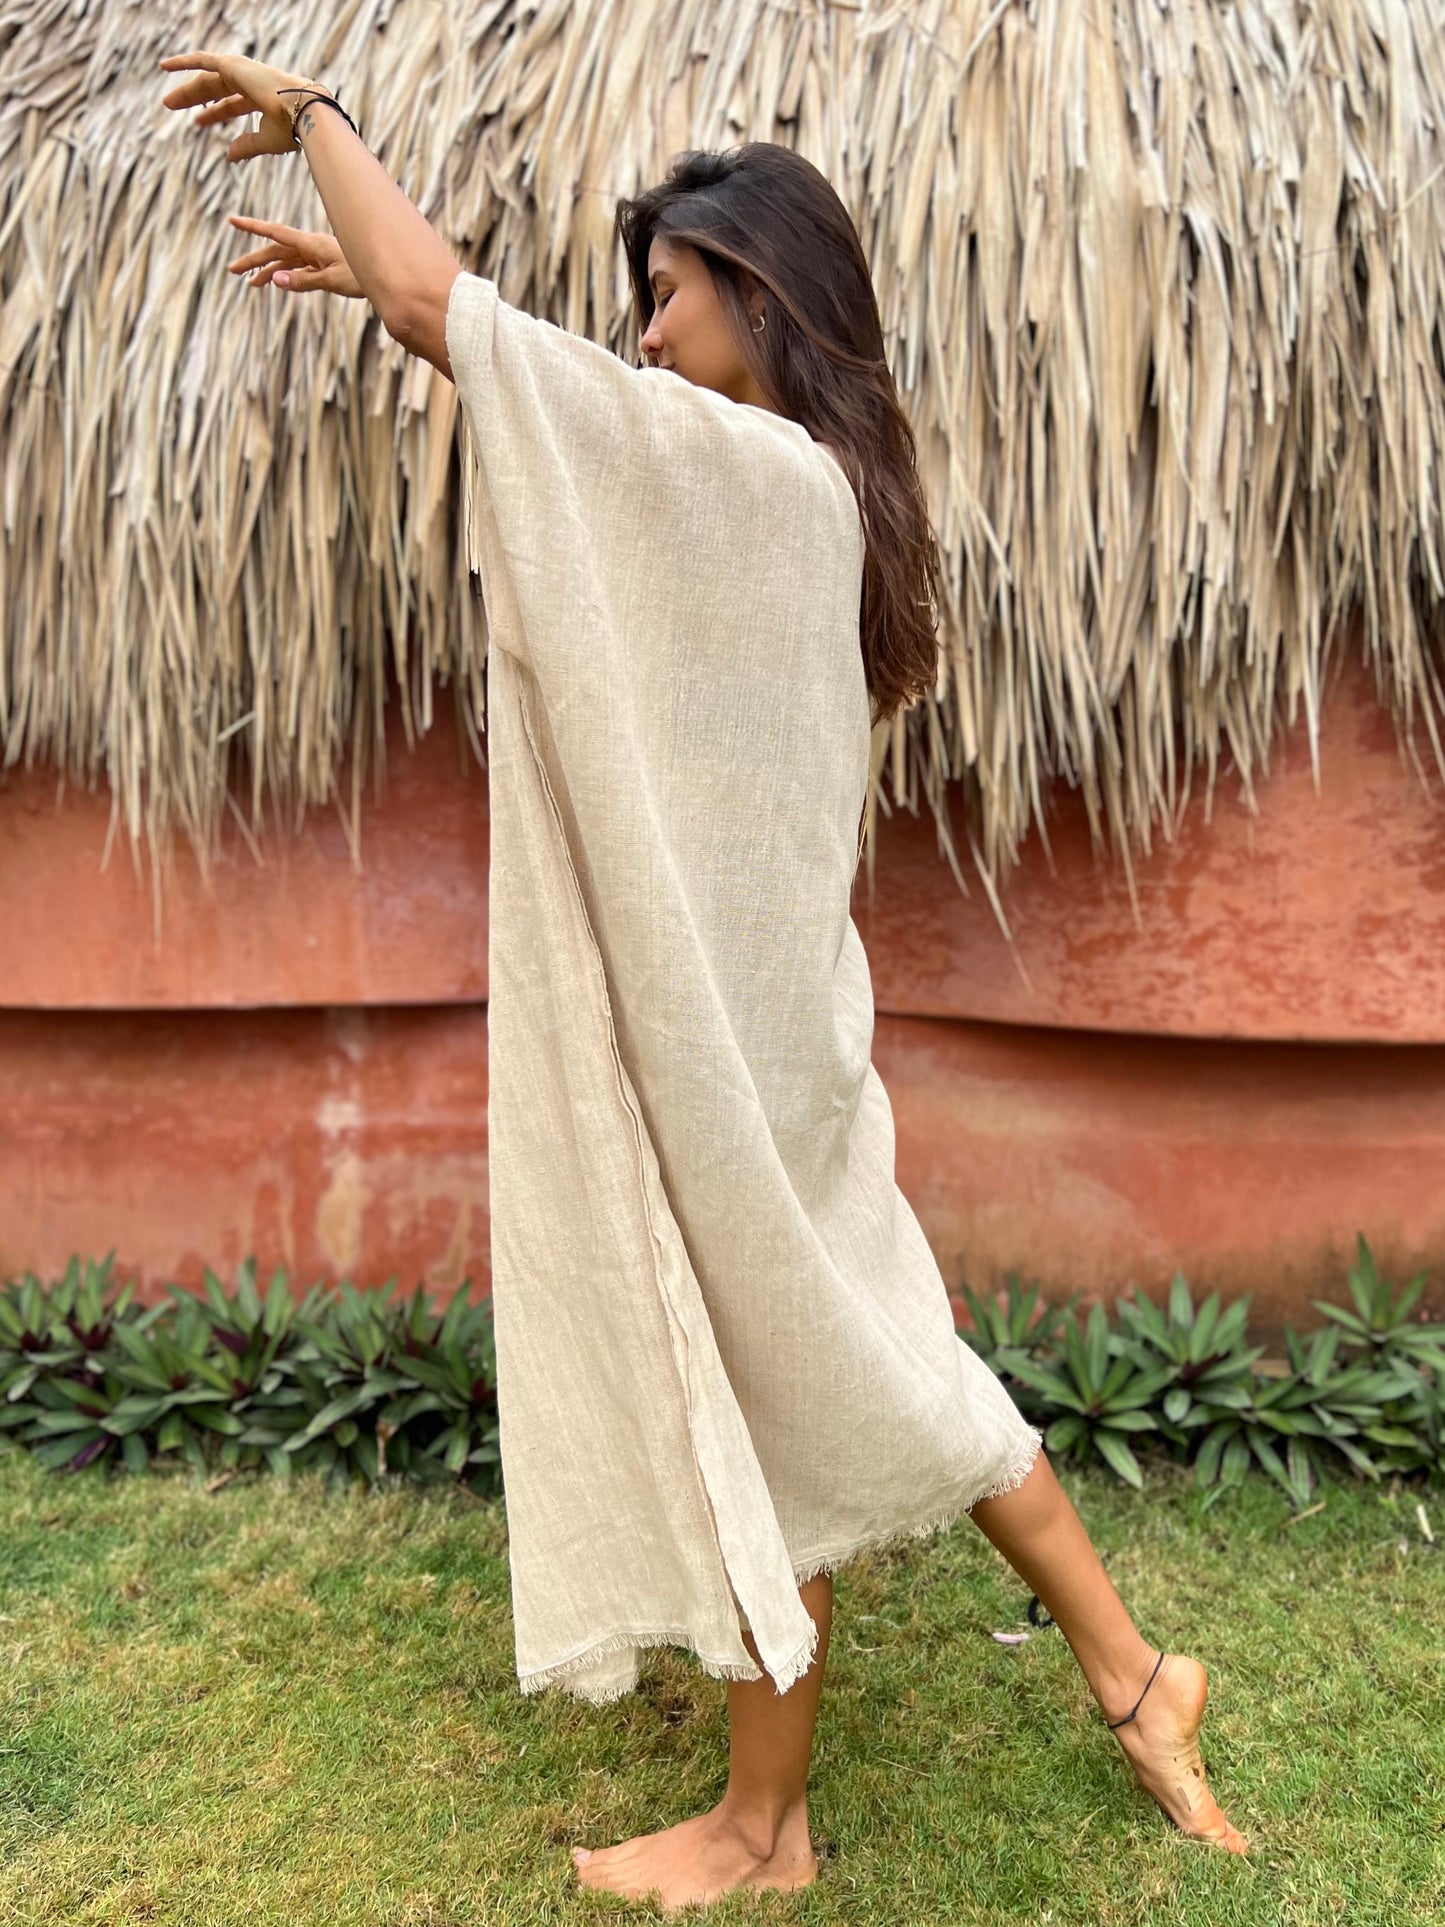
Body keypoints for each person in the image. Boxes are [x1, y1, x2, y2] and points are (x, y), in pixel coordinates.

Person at [160, 48, 1249, 1911]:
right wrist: (426, 310)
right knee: (857, 1363)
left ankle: (771, 1825)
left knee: (795, 1377)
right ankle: (1129, 1680)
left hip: (736, 1039)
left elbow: (450, 315)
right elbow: (472, 338)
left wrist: (322, 117)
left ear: (764, 290)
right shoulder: (817, 492)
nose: (647, 335)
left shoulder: (753, 477)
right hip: (776, 1021)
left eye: (670, 294)